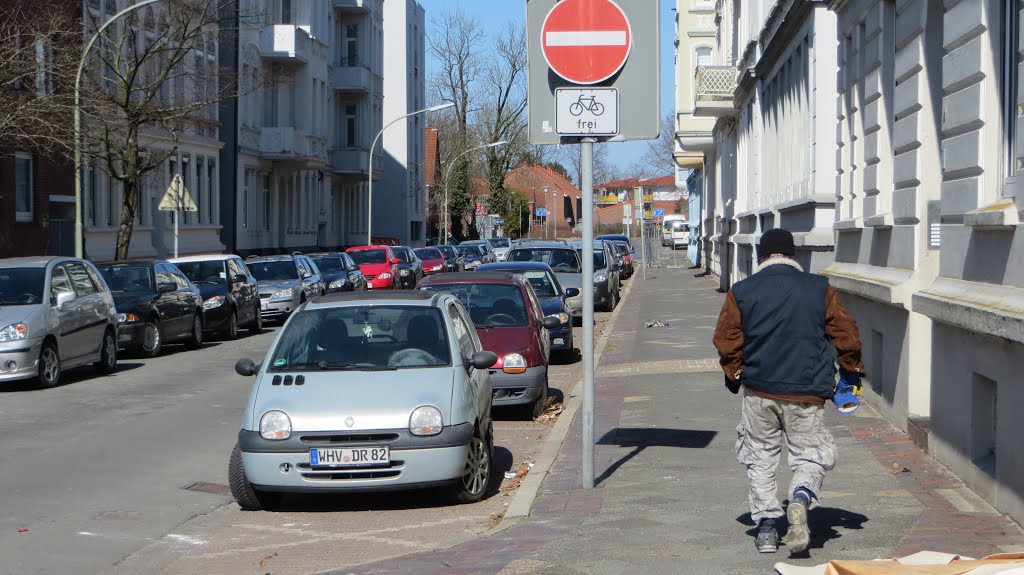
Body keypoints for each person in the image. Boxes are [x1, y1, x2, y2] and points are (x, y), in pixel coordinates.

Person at [712, 228, 864, 555]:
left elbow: (727, 338)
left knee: (760, 456)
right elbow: (846, 334)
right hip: (807, 391)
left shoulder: (742, 291)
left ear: (762, 256)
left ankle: (767, 528)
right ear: (793, 255)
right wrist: (851, 371)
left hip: (760, 390)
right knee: (811, 454)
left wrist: (734, 372)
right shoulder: (819, 289)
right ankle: (801, 497)